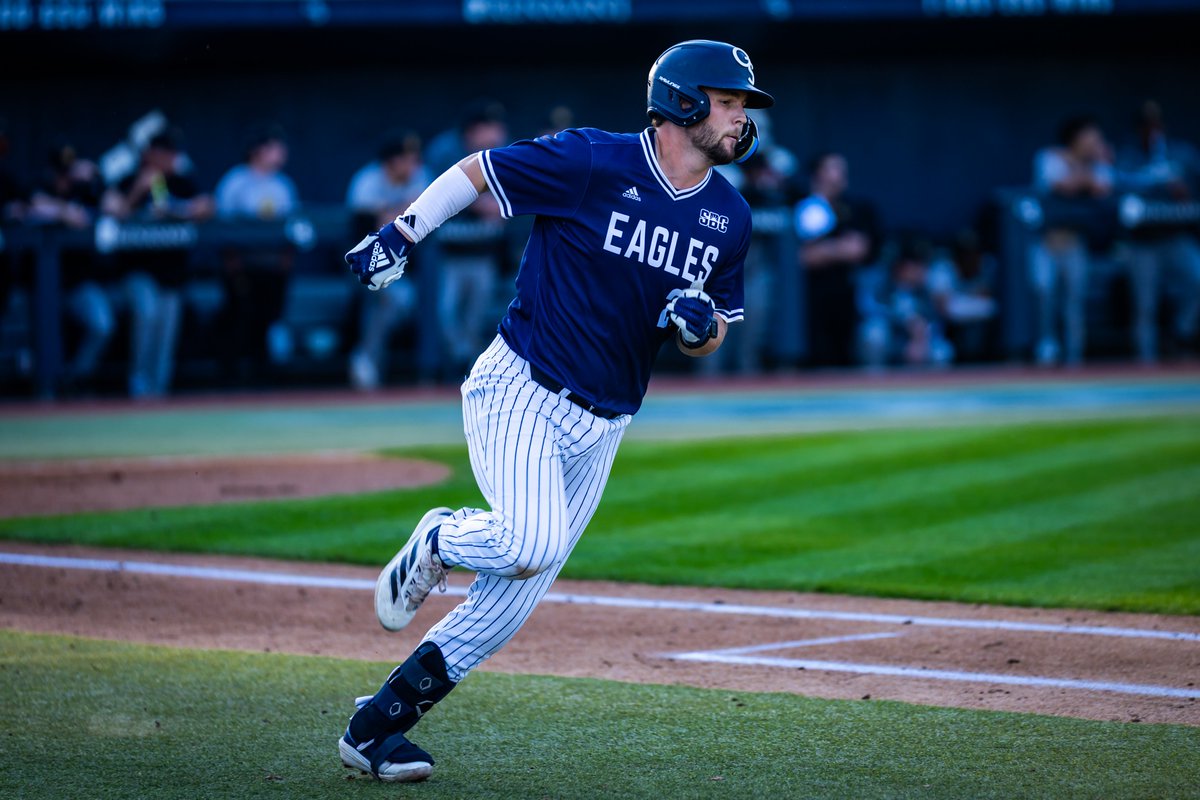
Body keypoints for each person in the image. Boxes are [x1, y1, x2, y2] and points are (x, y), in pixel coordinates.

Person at [339, 39, 770, 782]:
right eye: (730, 103)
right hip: (522, 388)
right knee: (528, 541)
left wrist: (702, 330)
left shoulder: (729, 217)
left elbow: (718, 327)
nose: (740, 120)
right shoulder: (594, 160)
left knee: (508, 607)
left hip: (606, 423)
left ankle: (375, 730)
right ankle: (440, 537)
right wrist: (402, 234)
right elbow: (478, 172)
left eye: (741, 106)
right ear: (684, 103)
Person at [101, 130, 214, 397]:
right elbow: (113, 211)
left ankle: (158, 390)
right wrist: (139, 190)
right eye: (166, 153)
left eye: (174, 153)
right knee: (147, 313)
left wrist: (177, 209)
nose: (172, 158)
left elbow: (207, 206)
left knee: (166, 329)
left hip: (171, 272)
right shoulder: (129, 179)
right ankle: (138, 383)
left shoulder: (182, 182)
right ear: (150, 154)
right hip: (137, 270)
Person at [425, 101, 511, 381]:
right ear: (474, 131)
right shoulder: (445, 151)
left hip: (482, 250)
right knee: (445, 313)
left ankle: (468, 368)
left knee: (476, 315)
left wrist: (493, 205)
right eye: (490, 128)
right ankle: (444, 368)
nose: (497, 135)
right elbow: (436, 192)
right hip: (446, 252)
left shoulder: (504, 151)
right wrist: (477, 202)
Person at [214, 124, 301, 384]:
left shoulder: (283, 184)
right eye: (274, 147)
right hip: (242, 266)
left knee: (269, 320)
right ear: (258, 151)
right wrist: (232, 263)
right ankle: (230, 377)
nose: (281, 153)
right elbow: (221, 226)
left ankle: (264, 378)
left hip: (272, 266)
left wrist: (286, 261)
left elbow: (294, 226)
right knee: (239, 319)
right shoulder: (235, 182)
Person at [1115, 100, 1200, 362]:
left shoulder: (1181, 154)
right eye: (1145, 126)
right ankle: (1146, 361)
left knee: (1196, 283)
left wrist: (1184, 190)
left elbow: (1192, 192)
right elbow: (1120, 197)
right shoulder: (1128, 158)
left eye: (1155, 124)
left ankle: (1180, 333)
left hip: (1175, 236)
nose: (1151, 131)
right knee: (1145, 305)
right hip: (1142, 243)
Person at [345, 132, 429, 390]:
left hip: (409, 265)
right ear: (392, 162)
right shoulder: (367, 181)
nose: (413, 166)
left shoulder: (420, 176)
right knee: (388, 299)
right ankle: (367, 359)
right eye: (407, 160)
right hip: (364, 261)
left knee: (406, 300)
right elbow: (376, 221)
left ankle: (370, 359)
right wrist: (403, 207)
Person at [1028, 115, 1113, 367]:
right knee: (1045, 296)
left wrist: (1092, 164)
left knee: (1074, 300)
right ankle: (1046, 350)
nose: (1095, 143)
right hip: (1046, 241)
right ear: (1076, 138)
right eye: (1090, 137)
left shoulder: (1097, 162)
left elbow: (1103, 189)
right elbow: (1063, 185)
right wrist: (1084, 169)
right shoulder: (1049, 158)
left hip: (1075, 241)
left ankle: (1074, 356)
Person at [794, 151, 882, 368]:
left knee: (847, 357)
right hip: (812, 300)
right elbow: (804, 257)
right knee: (818, 360)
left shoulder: (855, 208)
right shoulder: (803, 206)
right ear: (818, 174)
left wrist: (825, 250)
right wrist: (837, 248)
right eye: (834, 168)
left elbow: (858, 250)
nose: (841, 174)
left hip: (847, 296)